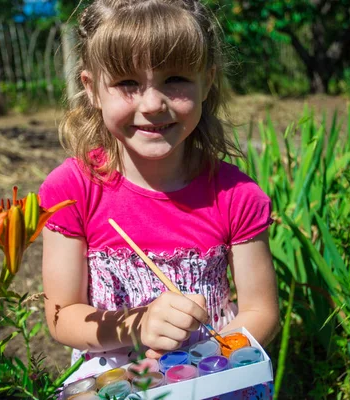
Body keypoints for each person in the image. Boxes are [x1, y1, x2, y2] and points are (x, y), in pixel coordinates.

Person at [38, 0, 279, 396]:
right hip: (114, 371)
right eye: (127, 83)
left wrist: (192, 361)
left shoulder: (237, 196)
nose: (152, 104)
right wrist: (138, 324)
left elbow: (260, 311)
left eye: (176, 79)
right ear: (91, 89)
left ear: (207, 82)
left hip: (211, 367)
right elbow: (61, 316)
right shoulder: (72, 190)